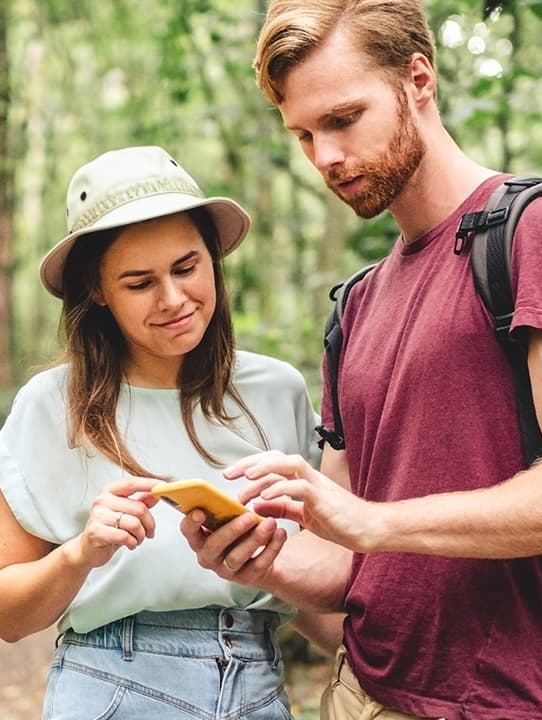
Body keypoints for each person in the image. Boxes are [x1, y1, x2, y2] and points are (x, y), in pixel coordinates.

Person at [181, 2, 542, 719]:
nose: (324, 157)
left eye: (342, 119)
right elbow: (350, 564)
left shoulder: (533, 232)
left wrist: (374, 523)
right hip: (358, 694)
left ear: (418, 79)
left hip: (506, 701)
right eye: (303, 134)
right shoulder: (356, 305)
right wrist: (261, 558)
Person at [0, 145, 321, 720]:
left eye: (186, 267)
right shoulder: (52, 406)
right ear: (97, 290)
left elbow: (317, 590)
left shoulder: (278, 391)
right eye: (139, 282)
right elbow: (9, 614)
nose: (174, 300)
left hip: (258, 683)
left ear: (212, 258)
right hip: (111, 685)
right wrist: (81, 554)